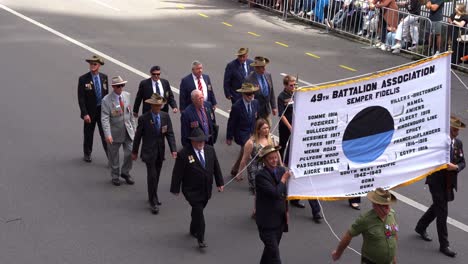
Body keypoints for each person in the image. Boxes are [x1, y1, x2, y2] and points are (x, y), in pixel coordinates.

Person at [415, 116, 465, 258]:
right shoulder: (438, 142)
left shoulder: (458, 143)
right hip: (436, 181)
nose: (456, 132)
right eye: (454, 129)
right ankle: (444, 245)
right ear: (448, 128)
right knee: (442, 212)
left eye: (458, 130)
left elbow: (462, 162)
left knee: (438, 206)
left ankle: (421, 226)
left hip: (449, 182)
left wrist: (455, 167)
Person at [170, 127, 224, 248]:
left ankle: (193, 228)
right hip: (191, 190)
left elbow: (216, 167)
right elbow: (177, 172)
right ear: (192, 141)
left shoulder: (210, 150)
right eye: (198, 141)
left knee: (198, 211)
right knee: (199, 211)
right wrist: (175, 188)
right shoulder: (184, 153)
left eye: (202, 141)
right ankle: (201, 238)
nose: (200, 143)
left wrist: (220, 183)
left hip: (206, 189)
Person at [277, 75, 322, 221]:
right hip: (287, 132)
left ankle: (315, 211)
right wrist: (291, 128)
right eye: (291, 85)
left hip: (299, 134)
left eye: (295, 84)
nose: (293, 87)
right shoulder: (282, 96)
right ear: (285, 85)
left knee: (303, 172)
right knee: (286, 165)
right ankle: (286, 201)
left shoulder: (299, 94)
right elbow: (282, 115)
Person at [132, 93, 177, 214]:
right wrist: (135, 151)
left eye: (160, 105)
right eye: (156, 105)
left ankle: (153, 194)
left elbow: (170, 133)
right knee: (152, 176)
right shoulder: (144, 118)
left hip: (160, 152)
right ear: (151, 106)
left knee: (156, 175)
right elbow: (138, 136)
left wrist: (173, 149)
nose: (158, 108)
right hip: (148, 152)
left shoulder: (165, 117)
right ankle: (153, 201)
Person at [332, 188, 398, 264]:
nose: (388, 208)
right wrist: (338, 253)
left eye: (388, 205)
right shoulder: (365, 220)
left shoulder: (392, 214)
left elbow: (393, 235)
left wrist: (393, 258)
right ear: (375, 205)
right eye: (384, 206)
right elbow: (348, 235)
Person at [255, 144, 290, 264]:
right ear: (265, 161)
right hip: (267, 223)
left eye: (275, 157)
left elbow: (284, 194)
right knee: (275, 257)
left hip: (279, 220)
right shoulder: (260, 176)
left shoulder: (281, 170)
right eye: (271, 158)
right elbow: (275, 193)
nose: (274, 160)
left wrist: (286, 211)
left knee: (270, 252)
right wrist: (284, 180)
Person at [101, 76, 136, 186]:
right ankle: (115, 175)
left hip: (127, 130)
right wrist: (108, 135)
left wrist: (134, 129)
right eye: (118, 86)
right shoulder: (106, 100)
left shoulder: (127, 95)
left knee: (130, 152)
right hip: (114, 133)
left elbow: (130, 114)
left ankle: (125, 172)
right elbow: (105, 118)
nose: (121, 88)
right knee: (114, 156)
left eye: (122, 85)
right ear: (113, 87)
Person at [77, 55, 109, 162]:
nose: (92, 65)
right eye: (91, 64)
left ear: (99, 65)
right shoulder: (83, 79)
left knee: (105, 134)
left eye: (94, 64)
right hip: (90, 112)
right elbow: (81, 98)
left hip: (102, 111)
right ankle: (87, 153)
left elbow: (107, 95)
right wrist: (85, 113)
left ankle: (110, 156)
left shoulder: (104, 77)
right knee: (88, 134)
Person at [226, 83, 259, 179]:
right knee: (249, 153)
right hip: (241, 133)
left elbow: (257, 118)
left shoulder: (255, 103)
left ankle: (235, 168)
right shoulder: (237, 106)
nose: (251, 96)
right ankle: (252, 175)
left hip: (252, 131)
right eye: (248, 94)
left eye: (252, 93)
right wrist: (229, 137)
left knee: (244, 152)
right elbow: (231, 122)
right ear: (243, 94)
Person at [245, 56, 277, 121]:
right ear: (256, 68)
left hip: (266, 110)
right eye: (262, 67)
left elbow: (271, 91)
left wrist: (274, 107)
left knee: (267, 127)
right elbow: (246, 97)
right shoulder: (249, 79)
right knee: (257, 129)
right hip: (256, 112)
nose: (264, 69)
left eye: (264, 66)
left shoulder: (268, 75)